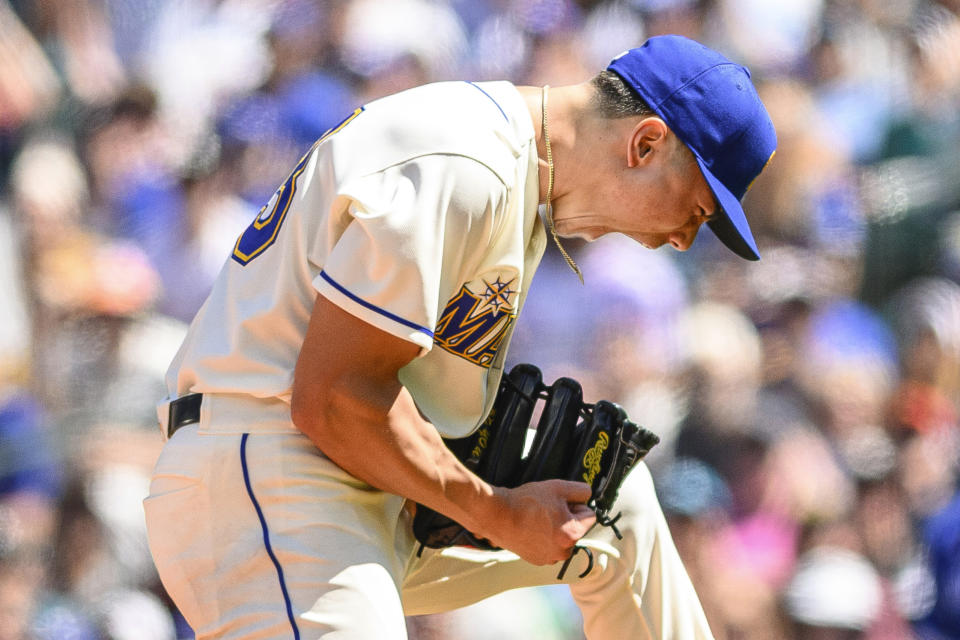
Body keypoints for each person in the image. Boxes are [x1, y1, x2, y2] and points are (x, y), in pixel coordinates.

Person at [143, 35, 776, 639]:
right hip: (268, 478)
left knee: (611, 507)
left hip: (342, 484)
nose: (684, 240)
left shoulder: (516, 177)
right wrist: (495, 509)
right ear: (645, 144)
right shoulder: (466, 162)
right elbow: (333, 397)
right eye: (696, 210)